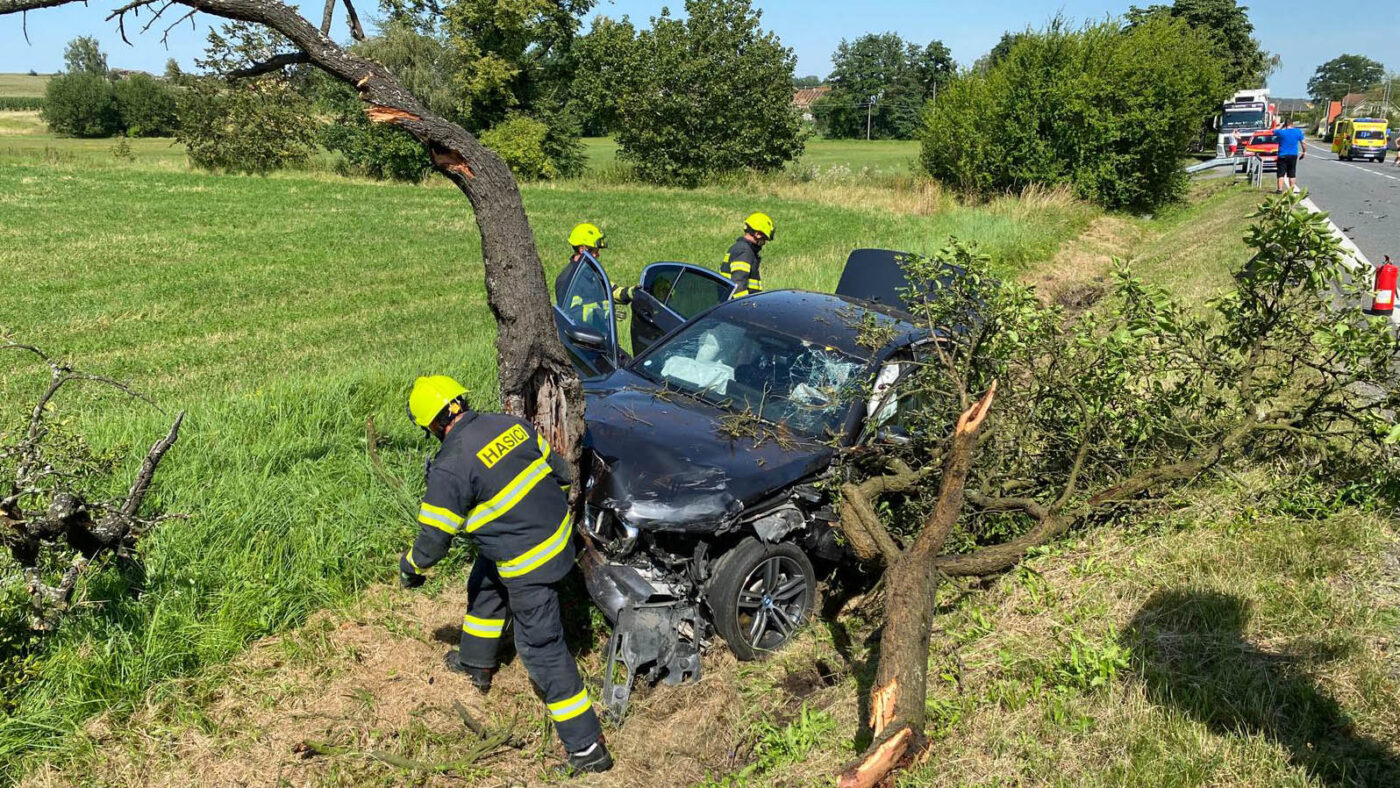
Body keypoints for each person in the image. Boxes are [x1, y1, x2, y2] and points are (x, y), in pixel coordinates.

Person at [398, 375, 612, 775]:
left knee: (542, 648)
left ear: (432, 425)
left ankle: (587, 747)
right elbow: (562, 472)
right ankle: (476, 662)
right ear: (460, 403)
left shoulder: (449, 468)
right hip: (559, 536)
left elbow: (432, 544)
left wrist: (409, 568)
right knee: (484, 578)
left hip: (529, 563)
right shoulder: (509, 424)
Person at [555, 222, 634, 310]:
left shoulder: (592, 271)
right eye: (595, 252)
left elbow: (610, 291)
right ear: (582, 250)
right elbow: (573, 313)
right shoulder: (567, 280)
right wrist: (602, 309)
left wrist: (630, 293)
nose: (597, 255)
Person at [720, 212, 774, 298]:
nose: (764, 243)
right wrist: (745, 306)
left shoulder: (740, 248)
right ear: (758, 234)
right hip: (738, 308)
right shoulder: (744, 251)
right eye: (764, 239)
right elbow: (738, 283)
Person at [1274, 118, 1306, 194]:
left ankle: (1280, 189)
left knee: (1281, 172)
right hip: (1293, 154)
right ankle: (1291, 190)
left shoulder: (1281, 132)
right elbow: (1303, 142)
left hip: (1282, 154)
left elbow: (1273, 130)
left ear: (1285, 124)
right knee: (1292, 172)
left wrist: (1281, 126)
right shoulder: (1298, 132)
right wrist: (1304, 152)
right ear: (1292, 124)